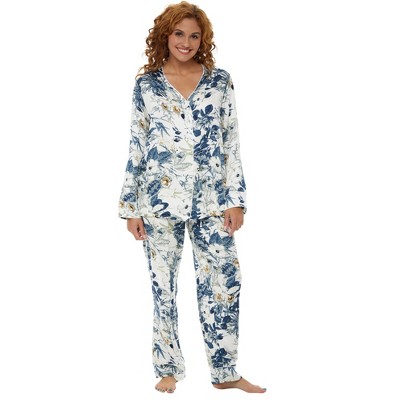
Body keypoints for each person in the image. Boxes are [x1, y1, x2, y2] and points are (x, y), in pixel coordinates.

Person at [118, 1, 266, 394]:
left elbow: (231, 142)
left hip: (213, 200)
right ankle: (168, 368)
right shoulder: (147, 85)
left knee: (224, 282)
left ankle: (225, 371)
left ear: (204, 40)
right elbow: (136, 145)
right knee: (163, 287)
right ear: (165, 36)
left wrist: (236, 199)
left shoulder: (220, 81)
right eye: (179, 33)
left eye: (194, 35)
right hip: (158, 200)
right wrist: (131, 207)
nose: (186, 42)